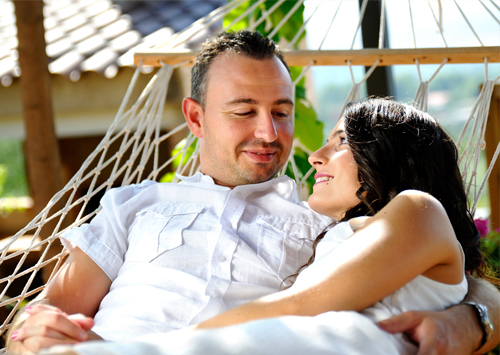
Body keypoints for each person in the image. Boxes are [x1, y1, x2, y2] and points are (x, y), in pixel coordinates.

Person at [6, 31, 499, 355]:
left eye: (282, 112)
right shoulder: (134, 204)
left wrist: (470, 320)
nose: (270, 133)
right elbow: (48, 310)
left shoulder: (328, 217)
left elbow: (450, 268)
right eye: (244, 111)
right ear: (195, 118)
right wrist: (34, 333)